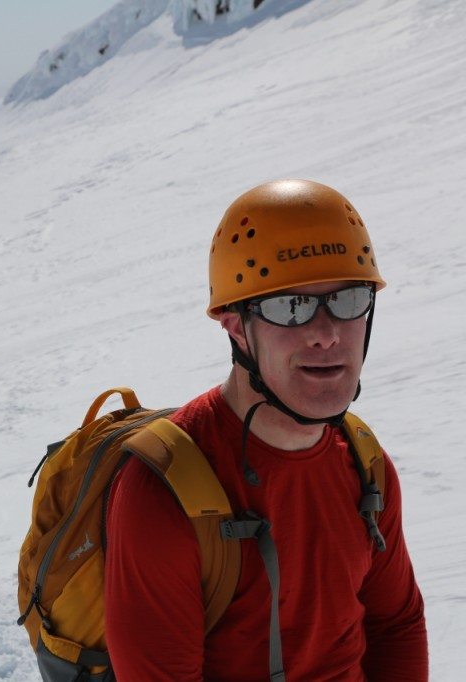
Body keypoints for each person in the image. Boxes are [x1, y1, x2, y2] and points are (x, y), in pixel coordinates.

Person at [104, 180, 428, 680]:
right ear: (234, 323)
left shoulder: (364, 463)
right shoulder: (162, 491)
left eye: (347, 299)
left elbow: (396, 625)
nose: (326, 334)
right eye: (290, 306)